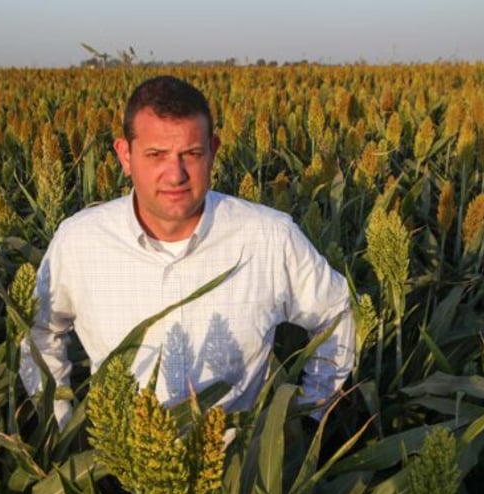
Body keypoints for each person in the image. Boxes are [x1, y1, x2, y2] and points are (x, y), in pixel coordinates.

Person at [20, 75, 355, 429]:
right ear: (125, 155)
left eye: (191, 154)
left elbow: (336, 312)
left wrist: (309, 418)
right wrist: (61, 428)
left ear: (213, 151)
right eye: (156, 155)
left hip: (236, 471)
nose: (175, 173)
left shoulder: (269, 238)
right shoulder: (80, 243)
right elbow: (40, 331)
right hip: (120, 470)